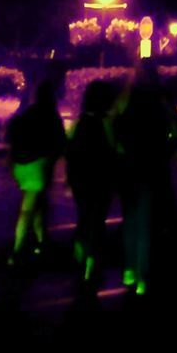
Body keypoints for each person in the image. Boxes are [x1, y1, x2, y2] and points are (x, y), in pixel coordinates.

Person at [113, 59, 177, 295]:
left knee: (130, 219)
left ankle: (129, 269)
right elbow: (176, 130)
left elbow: (113, 128)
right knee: (147, 221)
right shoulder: (161, 98)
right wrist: (166, 151)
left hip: (129, 165)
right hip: (153, 164)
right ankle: (143, 275)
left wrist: (121, 150)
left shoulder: (126, 97)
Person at [6, 78, 66, 266]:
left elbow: (10, 133)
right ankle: (17, 250)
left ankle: (42, 243)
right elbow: (60, 142)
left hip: (21, 165)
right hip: (38, 166)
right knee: (29, 209)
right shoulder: (51, 115)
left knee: (37, 206)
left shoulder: (27, 112)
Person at [66, 79, 118, 284]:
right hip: (101, 179)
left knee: (84, 215)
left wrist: (68, 180)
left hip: (80, 179)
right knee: (98, 220)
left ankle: (80, 250)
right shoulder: (107, 123)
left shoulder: (78, 122)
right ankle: (91, 263)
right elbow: (113, 150)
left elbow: (69, 152)